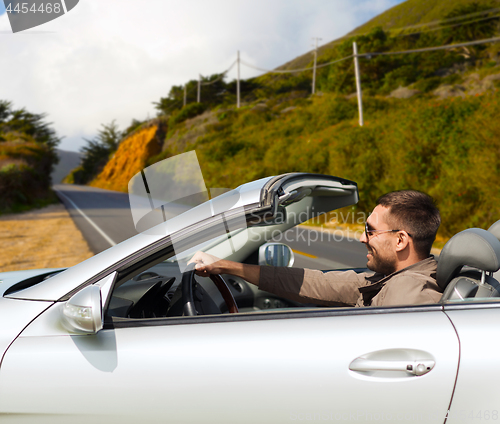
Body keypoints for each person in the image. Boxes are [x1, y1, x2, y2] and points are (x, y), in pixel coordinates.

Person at [190, 190, 442, 307]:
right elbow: (316, 283)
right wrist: (225, 266)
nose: (363, 239)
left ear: (400, 241)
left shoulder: (411, 295)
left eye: (371, 231)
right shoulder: (388, 280)